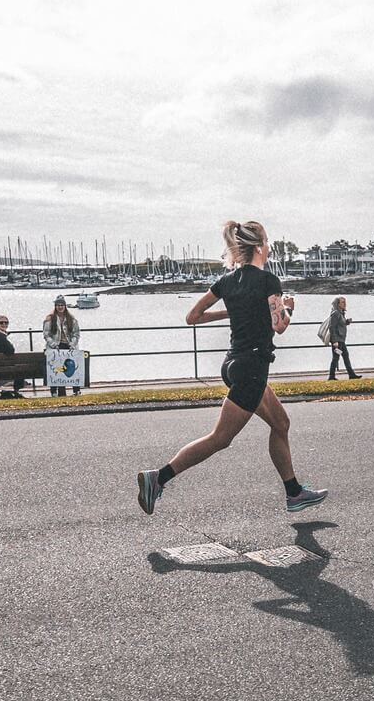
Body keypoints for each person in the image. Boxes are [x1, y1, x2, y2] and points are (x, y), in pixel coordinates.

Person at [135, 220, 327, 516]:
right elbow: (279, 326)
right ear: (261, 247)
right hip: (252, 367)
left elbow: (193, 316)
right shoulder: (267, 281)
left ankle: (294, 493)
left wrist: (233, 309)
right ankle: (157, 479)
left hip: (234, 364)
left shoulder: (227, 281)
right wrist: (289, 308)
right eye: (268, 242)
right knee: (220, 439)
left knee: (281, 424)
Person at [43, 295, 82, 396]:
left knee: (73, 368)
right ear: (55, 306)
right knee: (56, 369)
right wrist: (53, 344)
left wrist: (72, 344)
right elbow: (46, 334)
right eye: (58, 305)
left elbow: (76, 334)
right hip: (55, 346)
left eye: (62, 305)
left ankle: (76, 390)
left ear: (65, 306)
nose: (60, 307)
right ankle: (56, 391)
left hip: (69, 346)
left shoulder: (71, 318)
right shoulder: (49, 319)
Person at [0, 314, 24, 398]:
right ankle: (16, 391)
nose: (4, 324)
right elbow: (11, 350)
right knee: (21, 369)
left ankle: (15, 391)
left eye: (6, 323)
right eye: (1, 322)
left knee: (19, 368)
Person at [324, 296, 358, 380]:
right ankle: (331, 376)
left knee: (345, 356)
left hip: (341, 340)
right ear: (338, 304)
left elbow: (340, 324)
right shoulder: (335, 313)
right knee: (336, 358)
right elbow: (332, 327)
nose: (345, 304)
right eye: (342, 302)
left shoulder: (340, 313)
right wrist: (335, 341)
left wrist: (347, 322)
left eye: (345, 302)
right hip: (337, 341)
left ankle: (351, 374)